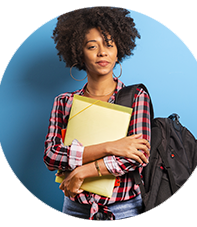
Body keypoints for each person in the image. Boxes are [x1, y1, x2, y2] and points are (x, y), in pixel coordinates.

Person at [44, 7, 151, 220]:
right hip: (76, 208)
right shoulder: (64, 102)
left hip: (125, 209)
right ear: (79, 53)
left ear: (118, 50)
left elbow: (136, 157)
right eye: (92, 46)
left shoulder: (136, 96)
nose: (102, 52)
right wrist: (110, 147)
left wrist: (81, 171)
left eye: (109, 44)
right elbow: (51, 156)